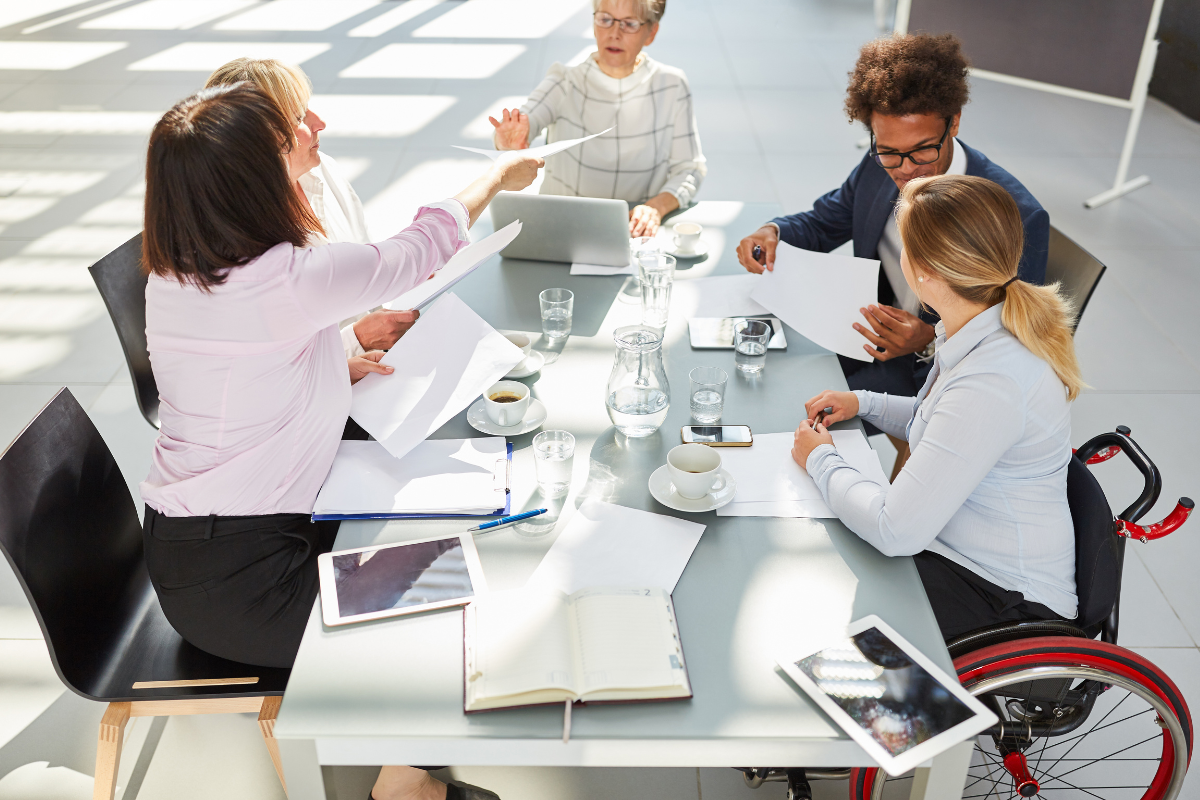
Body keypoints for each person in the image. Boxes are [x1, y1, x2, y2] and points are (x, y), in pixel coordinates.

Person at [139, 83, 542, 800]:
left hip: (203, 548)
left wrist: (335, 355)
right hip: (244, 585)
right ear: (250, 182)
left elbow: (249, 367)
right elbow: (419, 248)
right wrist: (499, 174)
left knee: (439, 546)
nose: (303, 130)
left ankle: (407, 767)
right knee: (446, 604)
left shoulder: (176, 274)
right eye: (282, 134)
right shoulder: (288, 278)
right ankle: (401, 789)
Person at [736, 34, 1048, 476]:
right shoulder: (878, 163)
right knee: (764, 377)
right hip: (864, 334)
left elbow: (1018, 341)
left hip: (933, 374)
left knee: (794, 416)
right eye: (889, 153)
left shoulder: (1014, 215)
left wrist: (929, 336)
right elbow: (828, 220)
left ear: (954, 123)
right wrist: (773, 231)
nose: (906, 170)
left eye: (923, 149)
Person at [790, 174, 1083, 641]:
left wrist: (819, 459)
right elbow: (939, 422)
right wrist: (862, 402)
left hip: (1004, 598)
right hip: (960, 550)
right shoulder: (978, 324)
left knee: (819, 606)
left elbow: (894, 531)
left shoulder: (994, 380)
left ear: (922, 271)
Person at [205, 58, 416, 360]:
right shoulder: (236, 241)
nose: (319, 123)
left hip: (374, 356)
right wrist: (358, 340)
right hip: (311, 389)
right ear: (261, 140)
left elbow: (365, 260)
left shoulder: (320, 169)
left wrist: (403, 276)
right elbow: (268, 367)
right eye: (300, 116)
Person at [489, 0, 705, 236]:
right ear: (594, 23)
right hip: (561, 229)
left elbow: (690, 168)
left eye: (630, 24)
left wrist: (656, 207)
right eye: (605, 20)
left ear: (651, 32)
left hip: (634, 231)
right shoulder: (564, 80)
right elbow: (526, 120)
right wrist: (508, 144)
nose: (614, 33)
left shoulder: (672, 85)